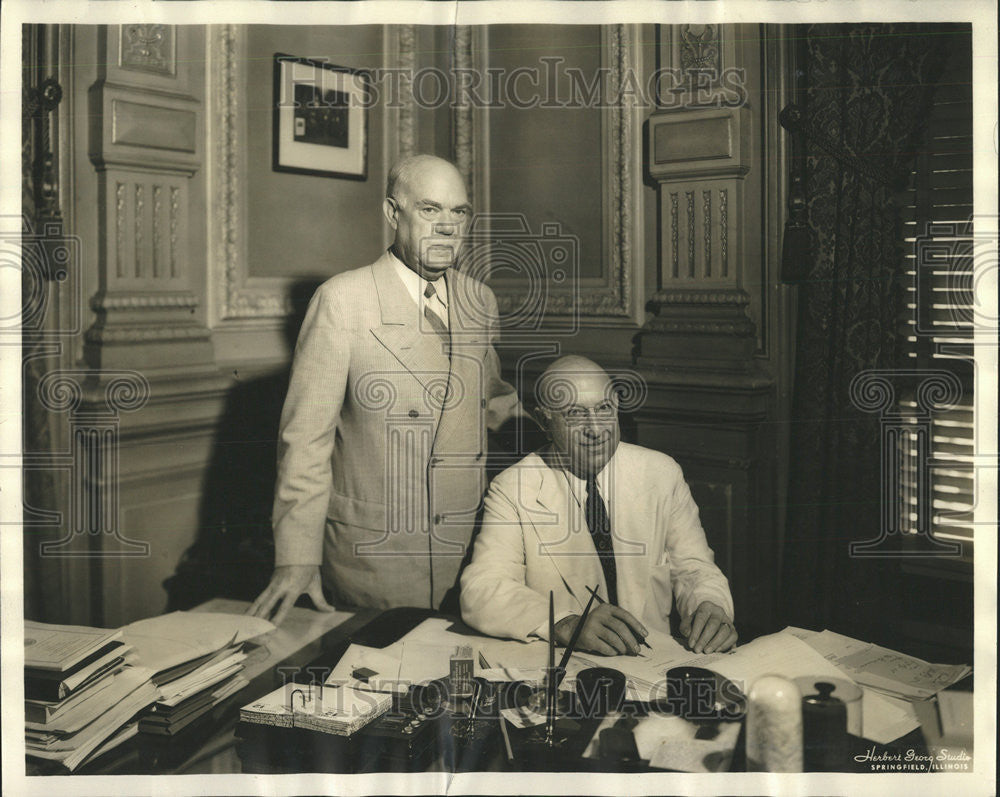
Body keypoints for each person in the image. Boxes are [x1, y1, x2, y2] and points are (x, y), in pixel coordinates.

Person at [249, 154, 526, 624]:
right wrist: (297, 556)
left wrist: (565, 449)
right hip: (376, 554)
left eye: (459, 212)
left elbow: (493, 400)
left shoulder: (479, 299)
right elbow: (306, 440)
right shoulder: (343, 300)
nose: (447, 226)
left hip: (467, 551)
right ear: (392, 214)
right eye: (430, 209)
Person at [460, 356, 736, 656]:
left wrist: (709, 604)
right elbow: (482, 587)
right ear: (544, 421)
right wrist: (566, 624)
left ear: (616, 406)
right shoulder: (513, 487)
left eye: (604, 409)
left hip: (655, 661)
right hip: (571, 666)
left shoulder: (661, 472)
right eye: (575, 414)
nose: (595, 429)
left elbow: (693, 568)